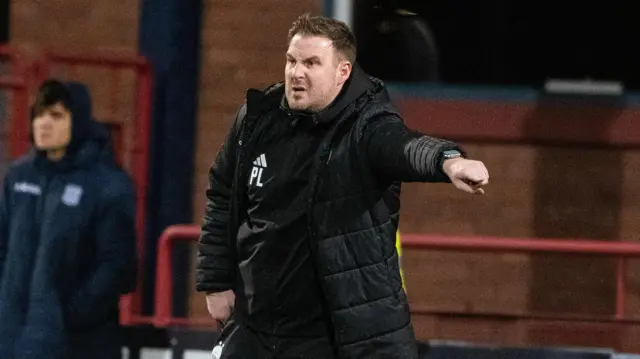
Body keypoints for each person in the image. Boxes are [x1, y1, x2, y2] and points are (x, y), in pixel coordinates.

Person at [196, 13, 489, 359]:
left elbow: (405, 147)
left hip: (334, 335)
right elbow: (222, 195)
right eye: (291, 60)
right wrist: (215, 281)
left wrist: (449, 161)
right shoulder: (258, 118)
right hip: (256, 325)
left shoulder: (367, 126)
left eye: (311, 63)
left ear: (342, 72)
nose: (296, 72)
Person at [0, 80, 138, 359]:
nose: (44, 124)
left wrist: (69, 315)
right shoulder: (18, 177)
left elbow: (118, 266)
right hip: (12, 343)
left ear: (78, 120)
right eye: (39, 115)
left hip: (76, 346)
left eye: (56, 115)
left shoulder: (107, 184)